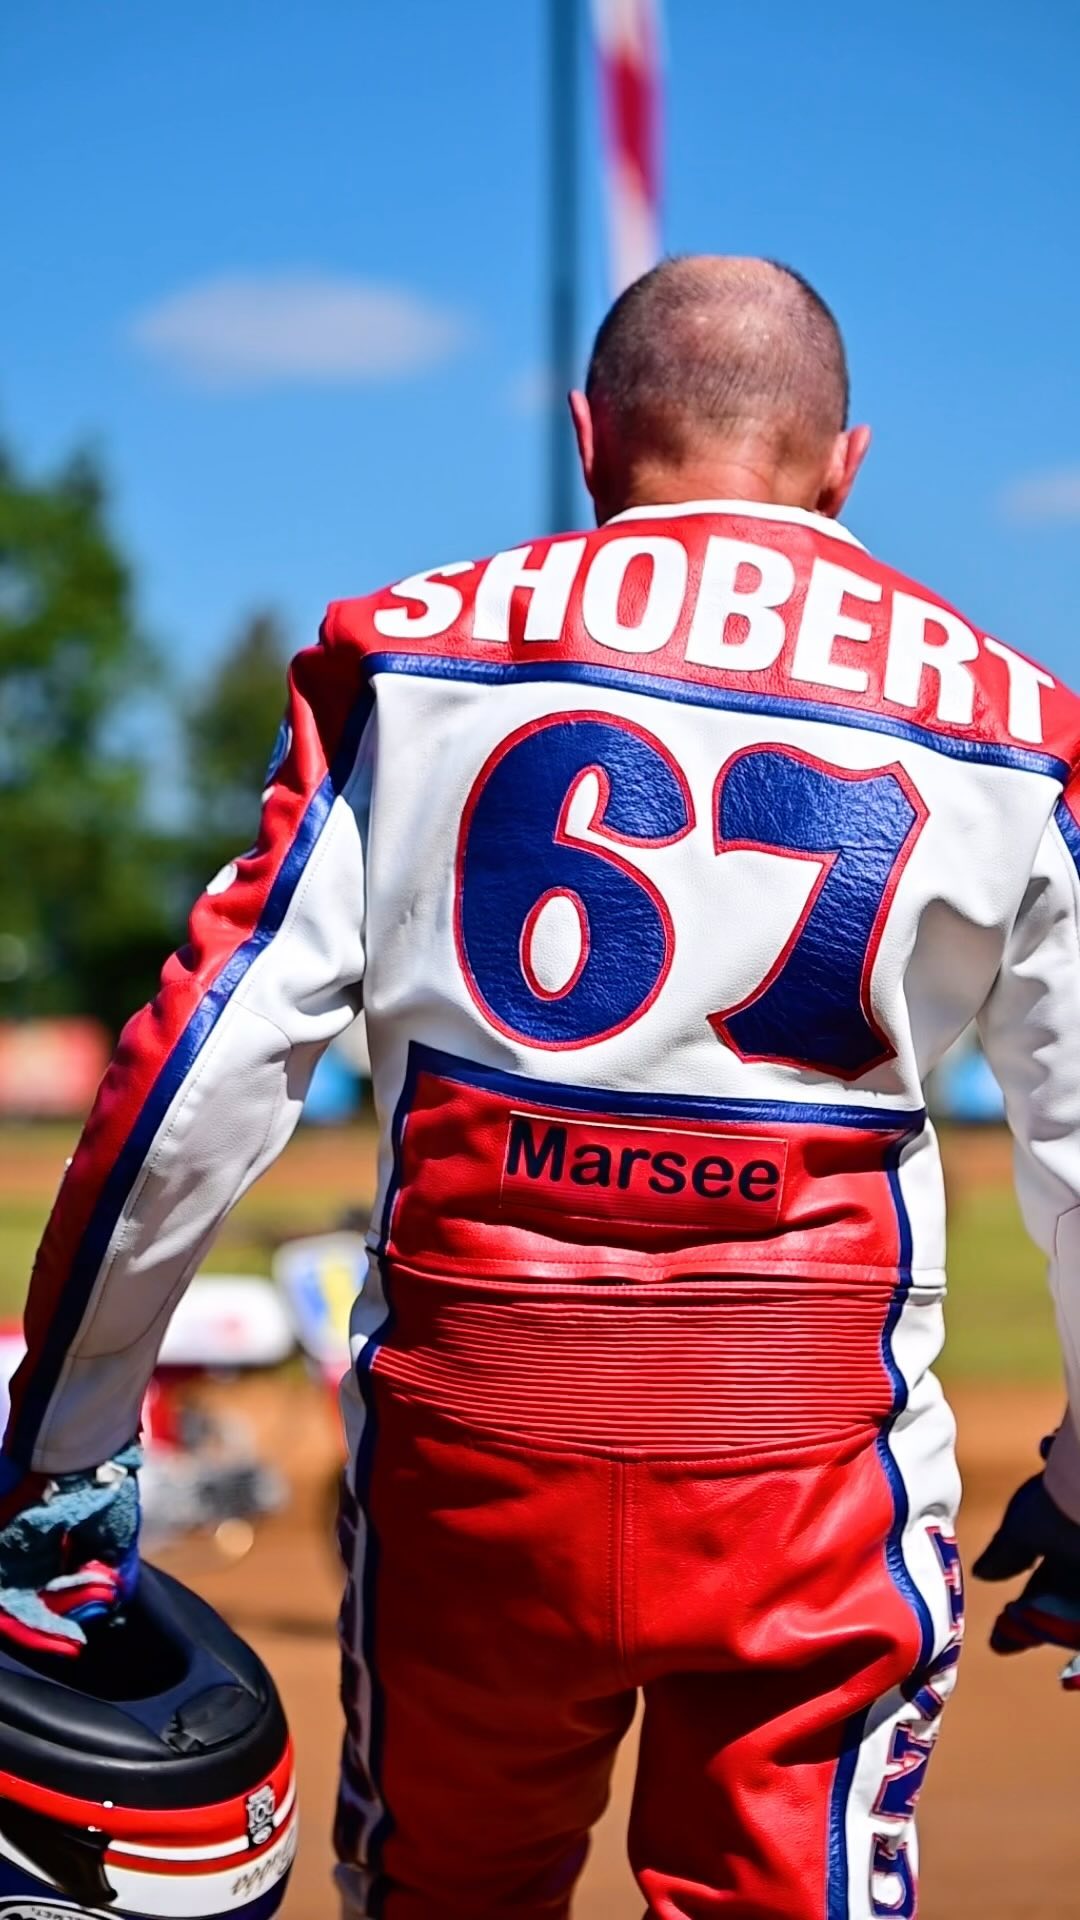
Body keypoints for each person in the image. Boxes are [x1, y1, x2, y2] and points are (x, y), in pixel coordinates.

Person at [3, 254, 1080, 1920]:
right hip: (811, 1478)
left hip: (470, 1465)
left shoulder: (409, 654)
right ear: (844, 463)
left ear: (588, 439)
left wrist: (61, 1453)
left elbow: (201, 1065)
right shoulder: (1017, 723)